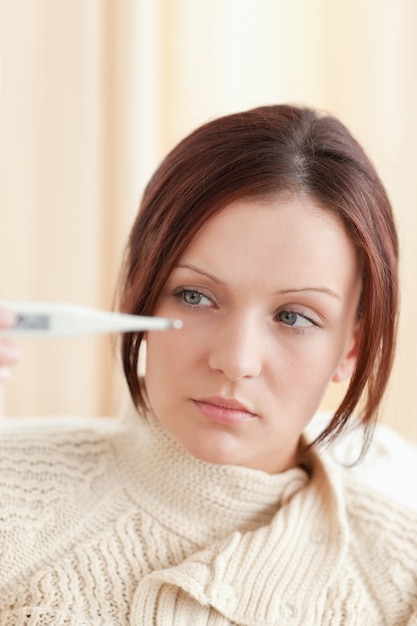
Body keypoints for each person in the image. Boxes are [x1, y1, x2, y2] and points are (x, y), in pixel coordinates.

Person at [0, 105, 416, 625]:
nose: (235, 361)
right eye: (195, 296)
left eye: (294, 316)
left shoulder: (402, 585)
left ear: (350, 350)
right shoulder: (10, 497)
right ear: (142, 294)